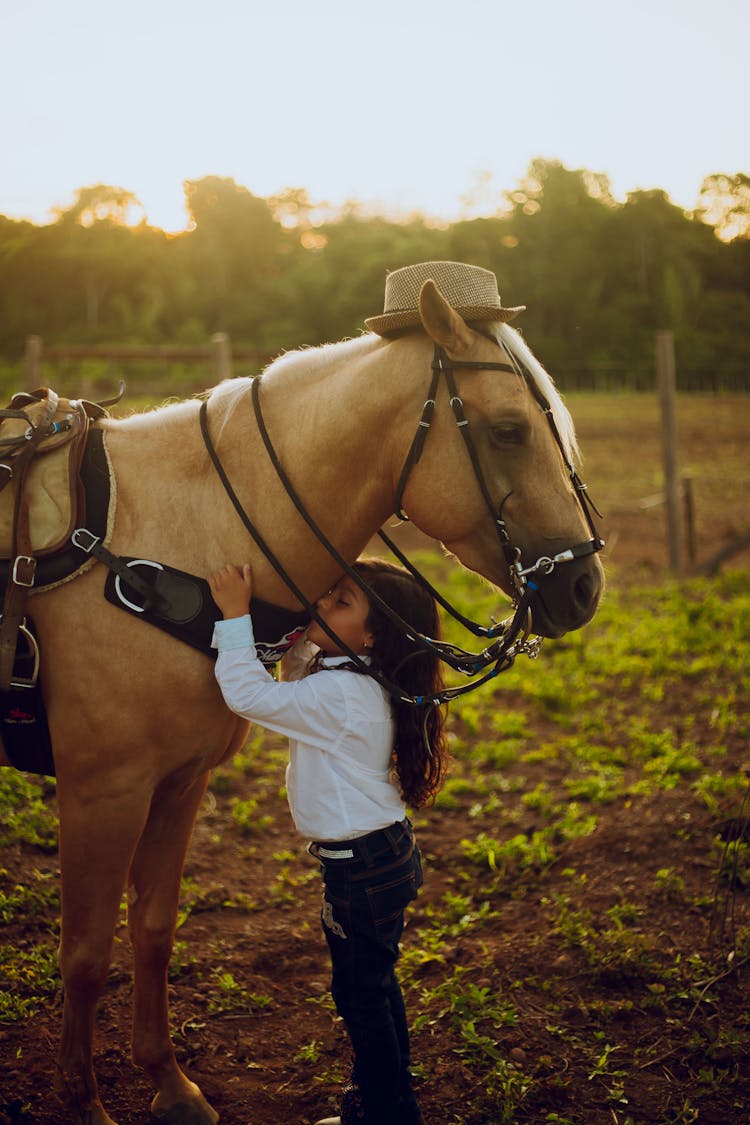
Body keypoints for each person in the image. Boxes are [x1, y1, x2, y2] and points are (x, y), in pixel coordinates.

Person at [208, 557, 449, 1125]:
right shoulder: (356, 679)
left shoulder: (342, 695)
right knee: (374, 987)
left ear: (372, 635)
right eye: (327, 593)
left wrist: (236, 615)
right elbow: (296, 676)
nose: (321, 603)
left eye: (340, 602)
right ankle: (386, 1104)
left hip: (361, 870)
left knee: (361, 996)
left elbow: (247, 695)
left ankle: (387, 1113)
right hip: (378, 861)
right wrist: (300, 637)